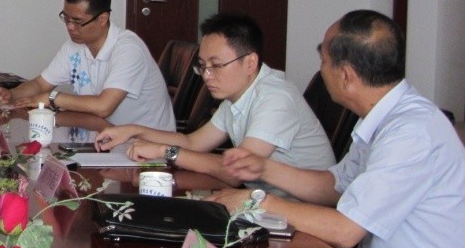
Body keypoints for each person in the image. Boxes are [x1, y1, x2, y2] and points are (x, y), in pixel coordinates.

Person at [213, 9, 465, 248]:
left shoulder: (411, 132)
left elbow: (345, 231)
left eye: (323, 60)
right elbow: (335, 186)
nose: (321, 70)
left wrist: (258, 201)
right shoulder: (383, 116)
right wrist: (265, 168)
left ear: (346, 75)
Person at [94, 12, 334, 190]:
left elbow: (236, 172)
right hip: (263, 201)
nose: (207, 76)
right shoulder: (237, 96)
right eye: (203, 66)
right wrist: (132, 131)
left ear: (250, 62)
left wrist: (163, 151)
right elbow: (193, 142)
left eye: (216, 66)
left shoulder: (275, 99)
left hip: (301, 212)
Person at [0, 0, 174, 137]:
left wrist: (52, 98)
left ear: (102, 19)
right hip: (105, 136)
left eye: (77, 22)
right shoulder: (74, 47)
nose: (70, 27)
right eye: (66, 18)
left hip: (147, 145)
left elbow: (104, 107)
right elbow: (40, 84)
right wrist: (11, 95)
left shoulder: (128, 49)